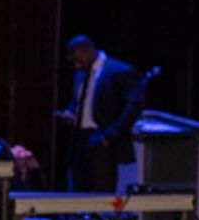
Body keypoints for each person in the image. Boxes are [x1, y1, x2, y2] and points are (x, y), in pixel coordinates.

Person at [58, 33, 143, 193]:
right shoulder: (80, 74)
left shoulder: (119, 71)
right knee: (78, 185)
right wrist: (70, 112)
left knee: (101, 187)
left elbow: (133, 105)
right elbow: (77, 99)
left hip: (102, 138)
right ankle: (79, 217)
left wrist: (110, 135)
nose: (77, 65)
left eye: (79, 60)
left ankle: (101, 218)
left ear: (89, 51)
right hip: (79, 137)